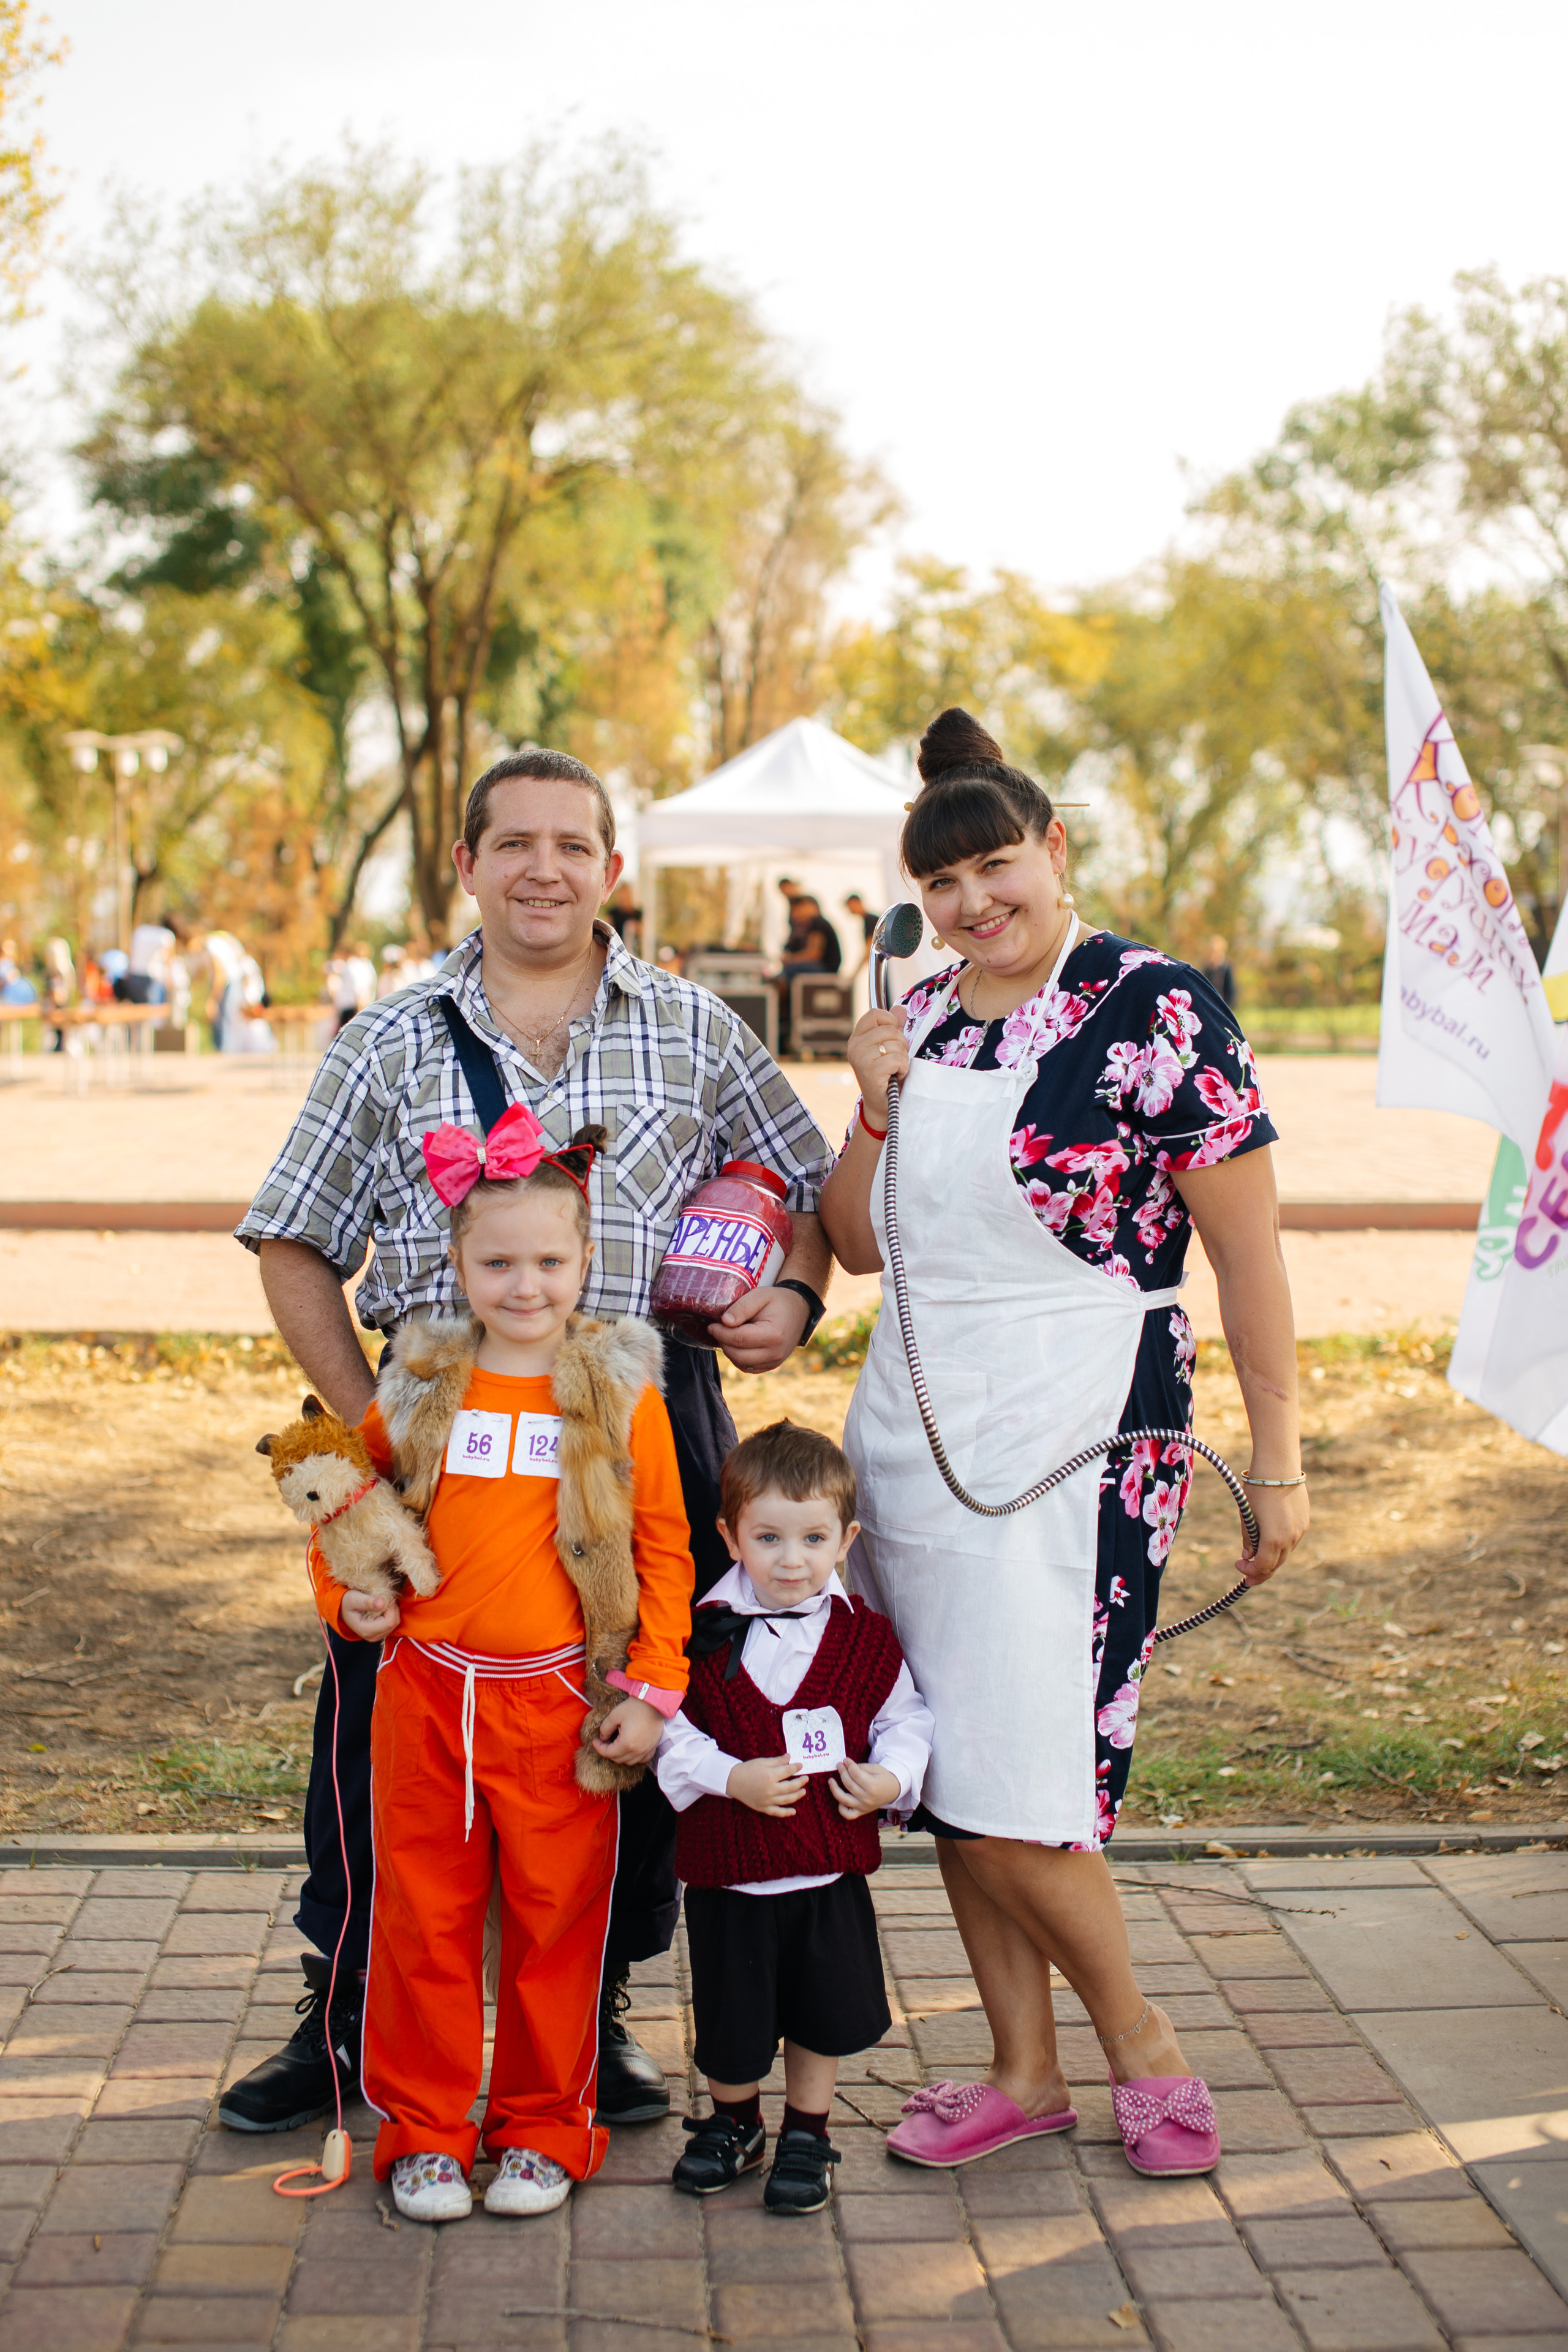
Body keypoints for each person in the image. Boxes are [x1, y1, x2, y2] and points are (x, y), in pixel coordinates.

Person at [225, 744, 834, 2138]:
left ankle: (593, 2013)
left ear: (612, 867)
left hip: (634, 1411)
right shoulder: (388, 1035)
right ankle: (342, 2009)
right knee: (386, 1714)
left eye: (574, 843)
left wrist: (793, 1294)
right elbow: (292, 1239)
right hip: (438, 1421)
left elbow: (810, 1186)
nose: (545, 867)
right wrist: (363, 1442)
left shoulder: (689, 1026)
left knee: (624, 1706)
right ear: (468, 865)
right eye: (515, 843)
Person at [820, 708, 1308, 2181]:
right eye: (943, 886)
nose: (973, 906)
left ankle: (1139, 2039)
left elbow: (1248, 1255)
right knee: (948, 1760)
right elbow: (849, 1245)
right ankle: (1019, 2068)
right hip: (912, 1430)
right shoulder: (926, 1011)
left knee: (1023, 1771)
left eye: (995, 867)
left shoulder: (1152, 1005)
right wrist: (867, 1088)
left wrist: (1276, 1454)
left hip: (1085, 1422)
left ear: (1053, 849)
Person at [306, 1107, 695, 2222]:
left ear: (585, 1261)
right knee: (423, 1920)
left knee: (555, 1922)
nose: (525, 1286)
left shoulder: (621, 1395)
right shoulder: (424, 1385)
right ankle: (424, 2132)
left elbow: (664, 1547)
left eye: (549, 1262)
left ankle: (541, 2127)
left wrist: (654, 1688)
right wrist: (352, 1597)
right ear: (459, 1265)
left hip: (563, 1702)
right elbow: (348, 1509)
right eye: (498, 1263)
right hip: (428, 1694)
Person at [656, 1422, 931, 2214]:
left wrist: (890, 1778)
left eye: (813, 1538)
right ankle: (733, 2122)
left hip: (826, 1872)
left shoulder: (865, 1639)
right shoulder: (697, 1636)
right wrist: (729, 1776)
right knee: (730, 2016)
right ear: (729, 1535)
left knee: (821, 2011)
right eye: (767, 1536)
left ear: (845, 1539)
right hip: (730, 1878)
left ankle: (807, 2131)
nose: (790, 1559)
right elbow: (668, 1732)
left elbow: (906, 1720)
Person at [1202, 933, 1236, 1008]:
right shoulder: (1207, 967)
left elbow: (1230, 989)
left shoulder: (1226, 967)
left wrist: (1228, 1006)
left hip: (1223, 1003)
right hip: (1209, 1003)